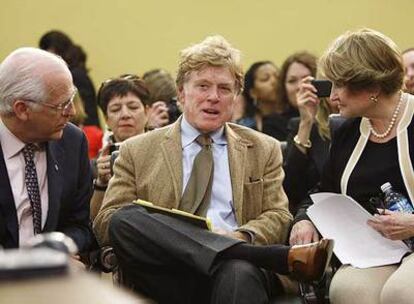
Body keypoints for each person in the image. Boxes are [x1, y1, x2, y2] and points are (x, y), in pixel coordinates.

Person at [93, 35, 333, 304]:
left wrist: (239, 236)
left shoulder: (262, 148)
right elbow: (106, 223)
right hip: (164, 271)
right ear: (182, 93)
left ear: (236, 96)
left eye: (224, 88)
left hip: (237, 272)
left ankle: (235, 252)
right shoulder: (137, 150)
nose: (213, 97)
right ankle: (246, 253)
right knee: (124, 218)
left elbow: (277, 215)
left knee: (238, 272)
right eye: (203, 86)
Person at [290, 29, 414, 304]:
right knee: (349, 289)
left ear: (372, 86)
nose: (332, 96)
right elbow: (323, 190)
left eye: (339, 85)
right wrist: (305, 219)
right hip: (377, 250)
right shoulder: (347, 129)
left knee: (402, 292)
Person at [0, 47, 93, 253]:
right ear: (22, 109)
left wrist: (55, 255)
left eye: (72, 99)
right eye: (62, 105)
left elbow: (80, 226)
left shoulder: (72, 142)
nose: (73, 112)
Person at [90, 74, 150, 219]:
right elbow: (93, 221)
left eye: (133, 107)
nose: (125, 115)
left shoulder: (166, 151)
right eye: (116, 109)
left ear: (147, 112)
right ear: (106, 119)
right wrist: (101, 184)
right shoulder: (95, 166)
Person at [283, 77, 342, 215]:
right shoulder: (307, 126)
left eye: (342, 84)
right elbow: (290, 190)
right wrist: (306, 123)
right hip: (313, 212)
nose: (336, 94)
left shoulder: (369, 124)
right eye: (331, 85)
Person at [39, 30, 100, 128]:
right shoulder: (77, 73)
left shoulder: (72, 76)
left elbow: (84, 112)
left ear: (56, 50)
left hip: (83, 129)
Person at [260, 52, 317, 141]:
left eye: (306, 79)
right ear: (283, 87)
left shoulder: (332, 117)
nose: (299, 86)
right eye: (292, 81)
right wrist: (305, 122)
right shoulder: (273, 124)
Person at [236, 61, 279, 131]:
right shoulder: (248, 125)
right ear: (253, 92)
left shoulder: (295, 115)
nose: (274, 81)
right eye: (265, 79)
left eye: (278, 77)